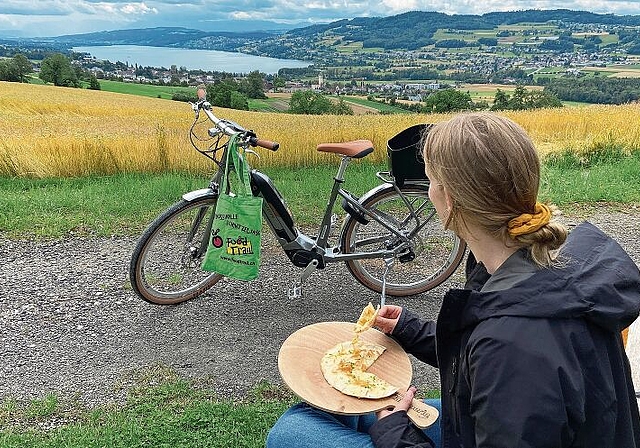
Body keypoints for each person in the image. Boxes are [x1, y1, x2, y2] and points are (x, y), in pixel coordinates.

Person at [266, 112, 640, 448]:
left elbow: (505, 357)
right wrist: (413, 331)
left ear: (450, 199)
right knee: (317, 414)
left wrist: (396, 434)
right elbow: (490, 353)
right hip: (495, 423)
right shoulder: (539, 269)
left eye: (430, 181)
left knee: (292, 431)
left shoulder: (514, 348)